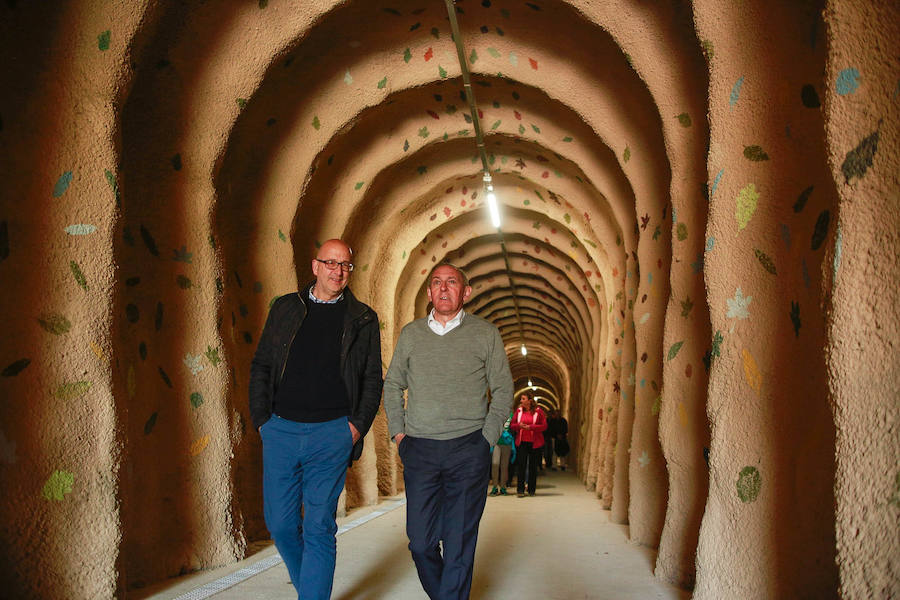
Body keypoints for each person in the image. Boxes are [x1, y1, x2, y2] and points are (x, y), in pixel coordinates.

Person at [249, 239, 383, 600]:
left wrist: (354, 428)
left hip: (333, 432)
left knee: (320, 526)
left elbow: (372, 379)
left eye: (345, 266)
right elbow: (262, 364)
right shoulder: (284, 308)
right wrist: (263, 420)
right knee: (280, 524)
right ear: (315, 266)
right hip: (280, 428)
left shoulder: (363, 318)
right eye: (330, 263)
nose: (338, 271)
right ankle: (310, 583)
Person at [383, 263, 514, 600]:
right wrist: (399, 434)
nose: (443, 289)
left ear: (465, 292)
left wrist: (484, 439)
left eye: (451, 282)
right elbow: (393, 384)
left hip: (467, 450)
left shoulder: (486, 334)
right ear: (428, 292)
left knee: (457, 543)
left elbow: (502, 391)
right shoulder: (412, 334)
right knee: (421, 542)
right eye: (436, 283)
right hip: (420, 449)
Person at [510, 392, 547, 497]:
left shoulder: (538, 412)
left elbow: (544, 426)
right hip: (522, 442)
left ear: (529, 401)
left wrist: (531, 428)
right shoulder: (519, 411)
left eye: (523, 399)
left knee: (532, 466)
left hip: (535, 443)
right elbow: (512, 425)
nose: (521, 401)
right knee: (521, 465)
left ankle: (531, 489)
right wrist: (519, 425)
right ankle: (520, 490)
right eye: (521, 399)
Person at [490, 412, 515, 496]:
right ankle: (494, 486)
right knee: (495, 464)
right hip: (496, 442)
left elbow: (514, 428)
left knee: (504, 466)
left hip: (506, 443)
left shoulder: (511, 415)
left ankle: (503, 487)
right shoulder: (495, 413)